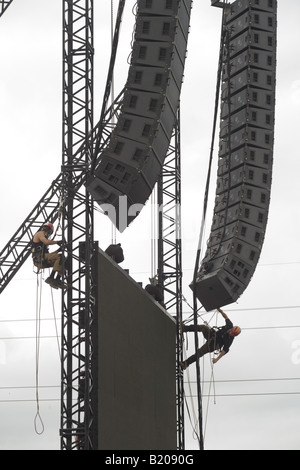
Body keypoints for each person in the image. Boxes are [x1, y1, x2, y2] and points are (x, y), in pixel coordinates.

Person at [31, 222, 64, 289]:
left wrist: (59, 250)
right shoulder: (40, 233)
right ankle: (51, 278)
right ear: (49, 230)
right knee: (60, 257)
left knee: (64, 262)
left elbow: (49, 255)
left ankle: (57, 280)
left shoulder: (44, 242)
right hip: (39, 258)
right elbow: (46, 242)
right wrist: (57, 242)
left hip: (43, 259)